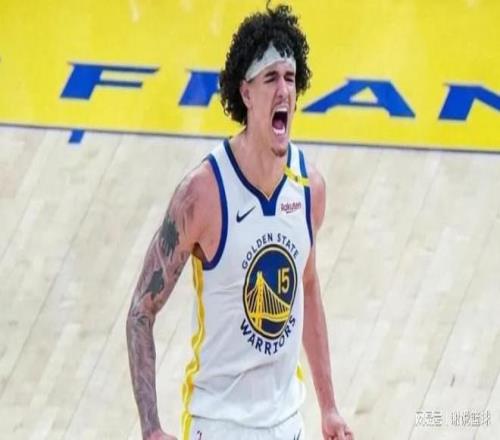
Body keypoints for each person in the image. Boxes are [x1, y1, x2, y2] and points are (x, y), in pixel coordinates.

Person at [126, 3, 354, 440]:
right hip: (219, 425)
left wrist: (329, 407)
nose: (283, 90)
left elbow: (306, 286)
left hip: (288, 423)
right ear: (246, 93)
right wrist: (151, 428)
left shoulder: (309, 189)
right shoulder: (201, 195)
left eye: (290, 78)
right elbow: (141, 311)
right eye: (270, 78)